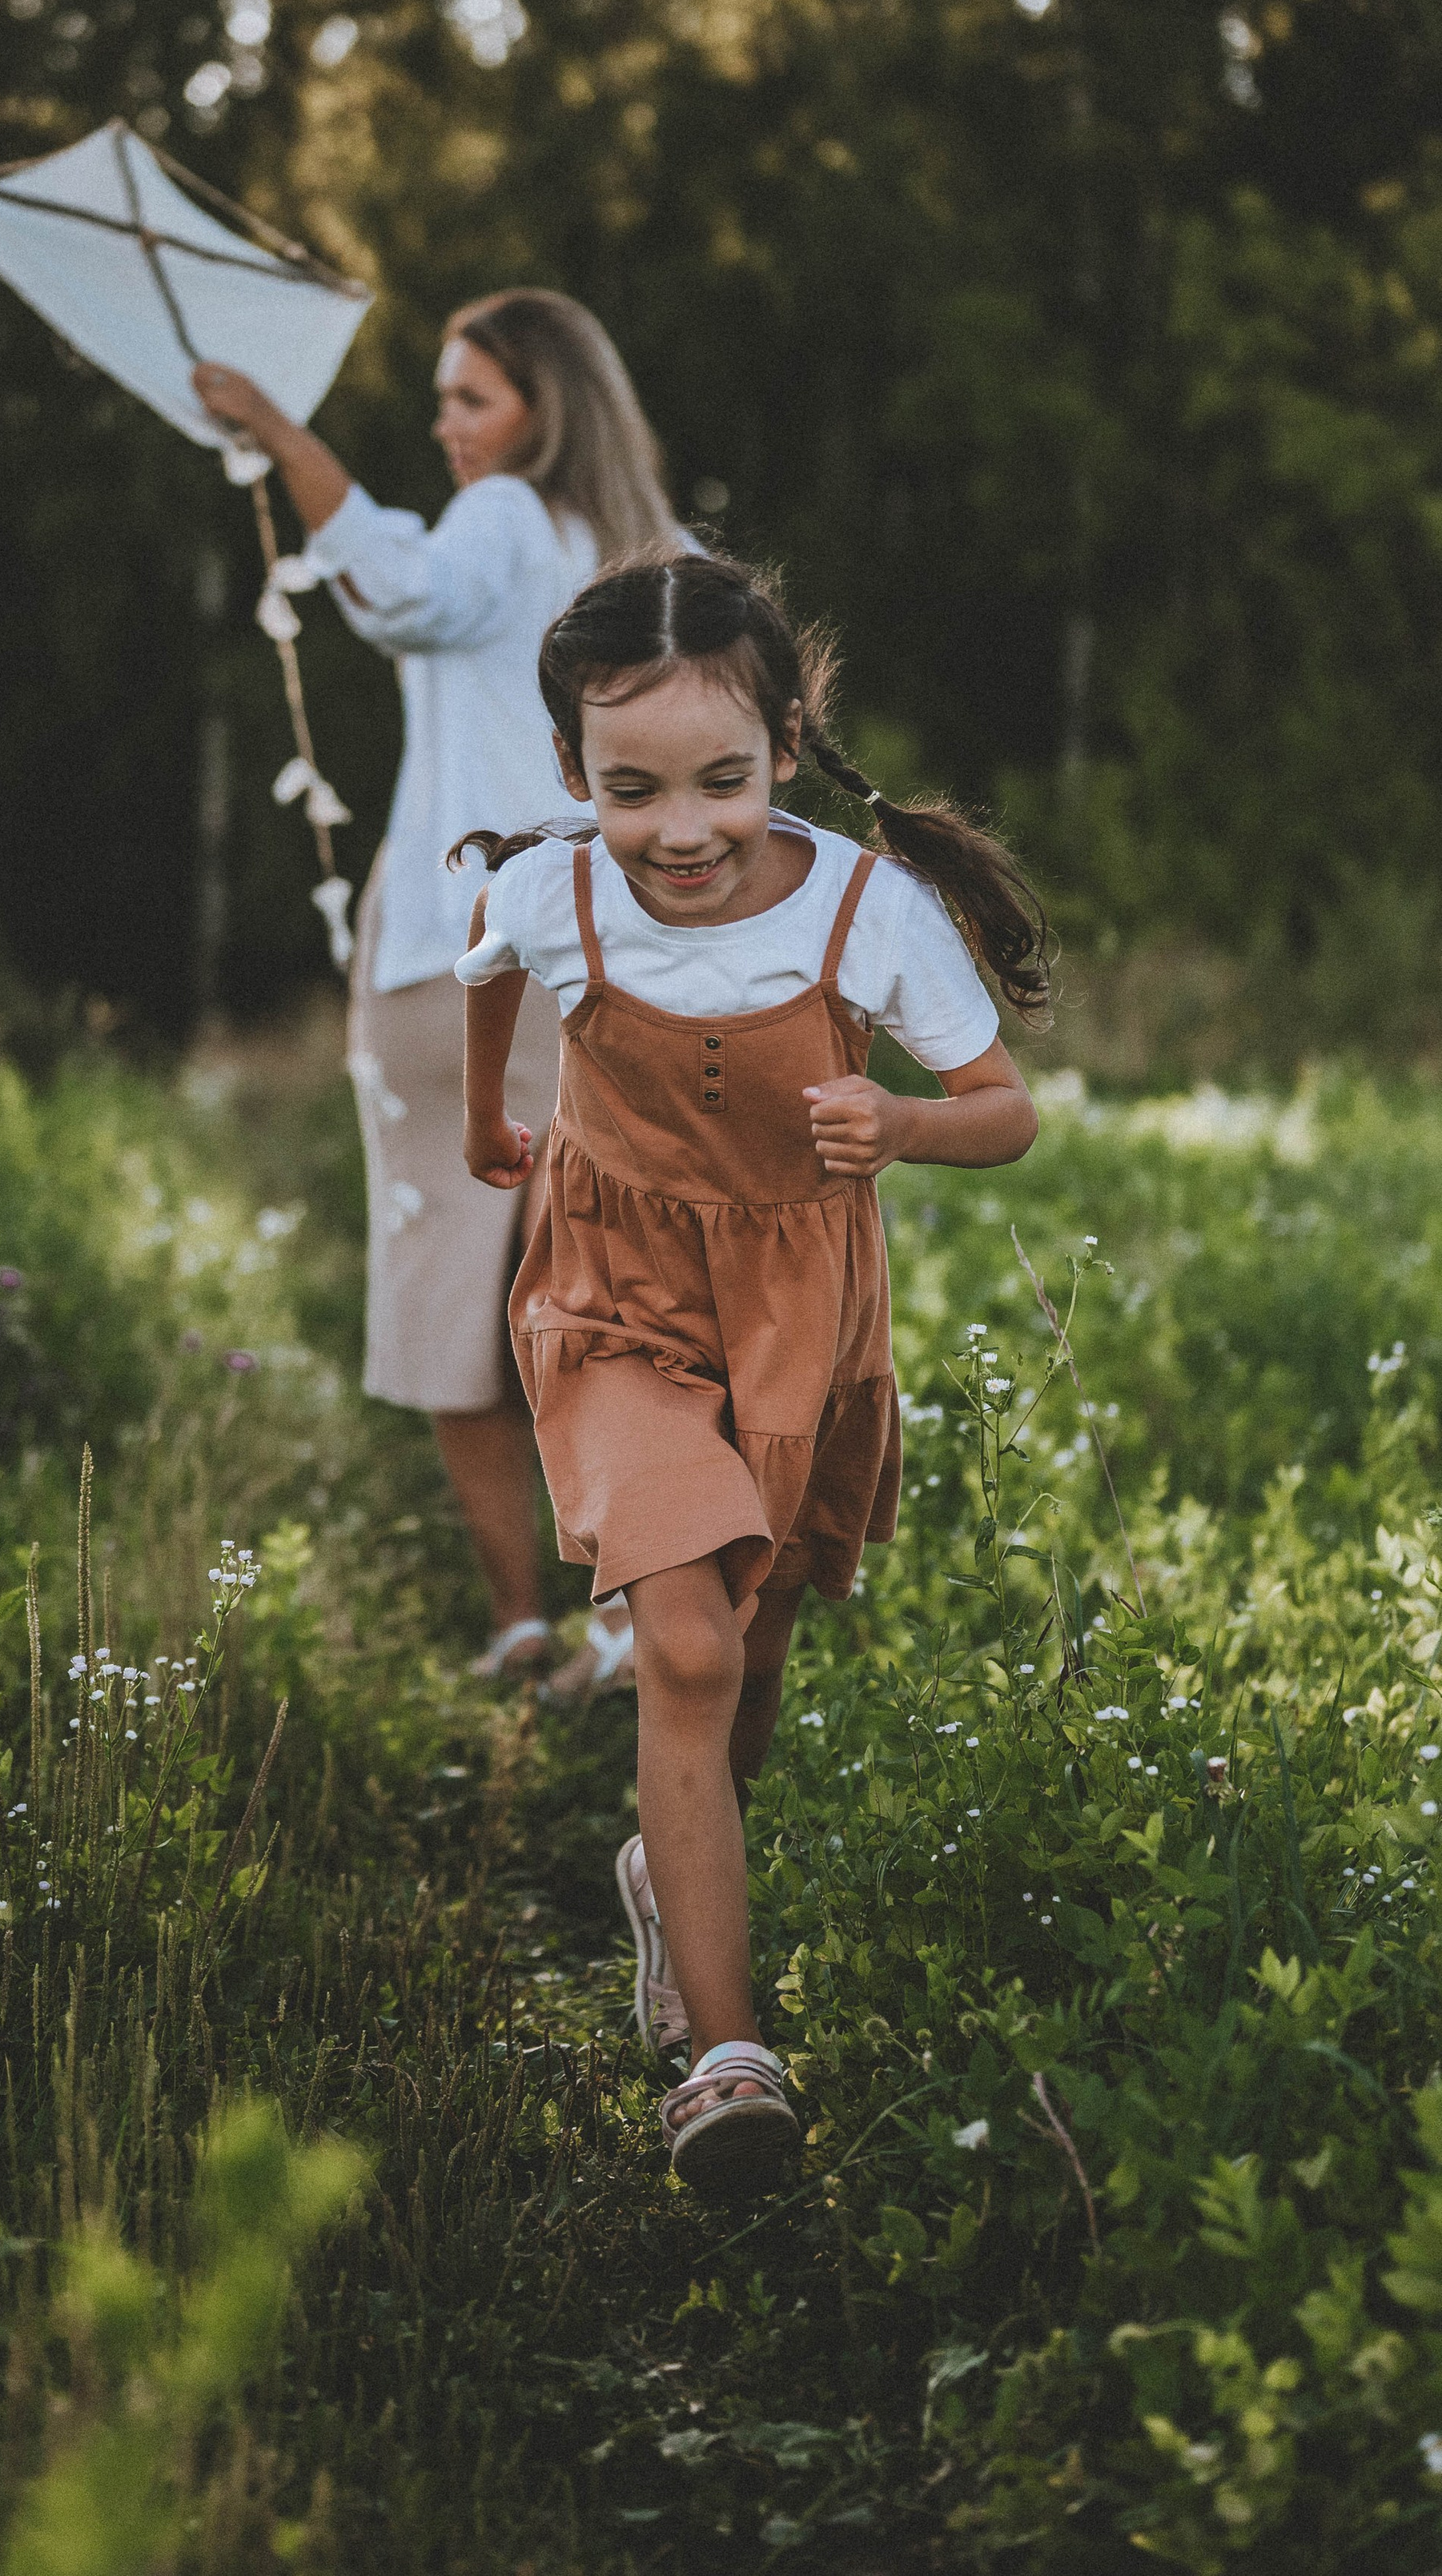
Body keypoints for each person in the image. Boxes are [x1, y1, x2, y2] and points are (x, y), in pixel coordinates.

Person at [454, 551, 1048, 2194]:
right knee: (688, 1646)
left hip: (797, 1324)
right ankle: (727, 2058)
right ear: (573, 771)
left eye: (722, 780)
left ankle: (670, 1872)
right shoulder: (554, 892)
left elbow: (1005, 1110)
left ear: (785, 746)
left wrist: (903, 1122)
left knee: (755, 1648)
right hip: (614, 1307)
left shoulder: (866, 910)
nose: (683, 829)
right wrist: (486, 1124)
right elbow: (485, 968)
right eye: (631, 789)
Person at [190, 294, 681, 1683]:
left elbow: (396, 591)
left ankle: (528, 1620)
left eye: (473, 398)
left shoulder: (506, 518)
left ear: (544, 410)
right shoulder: (666, 553)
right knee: (605, 1291)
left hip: (461, 952)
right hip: (625, 955)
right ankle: (625, 1610)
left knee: (454, 1285)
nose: (446, 424)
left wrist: (280, 431)